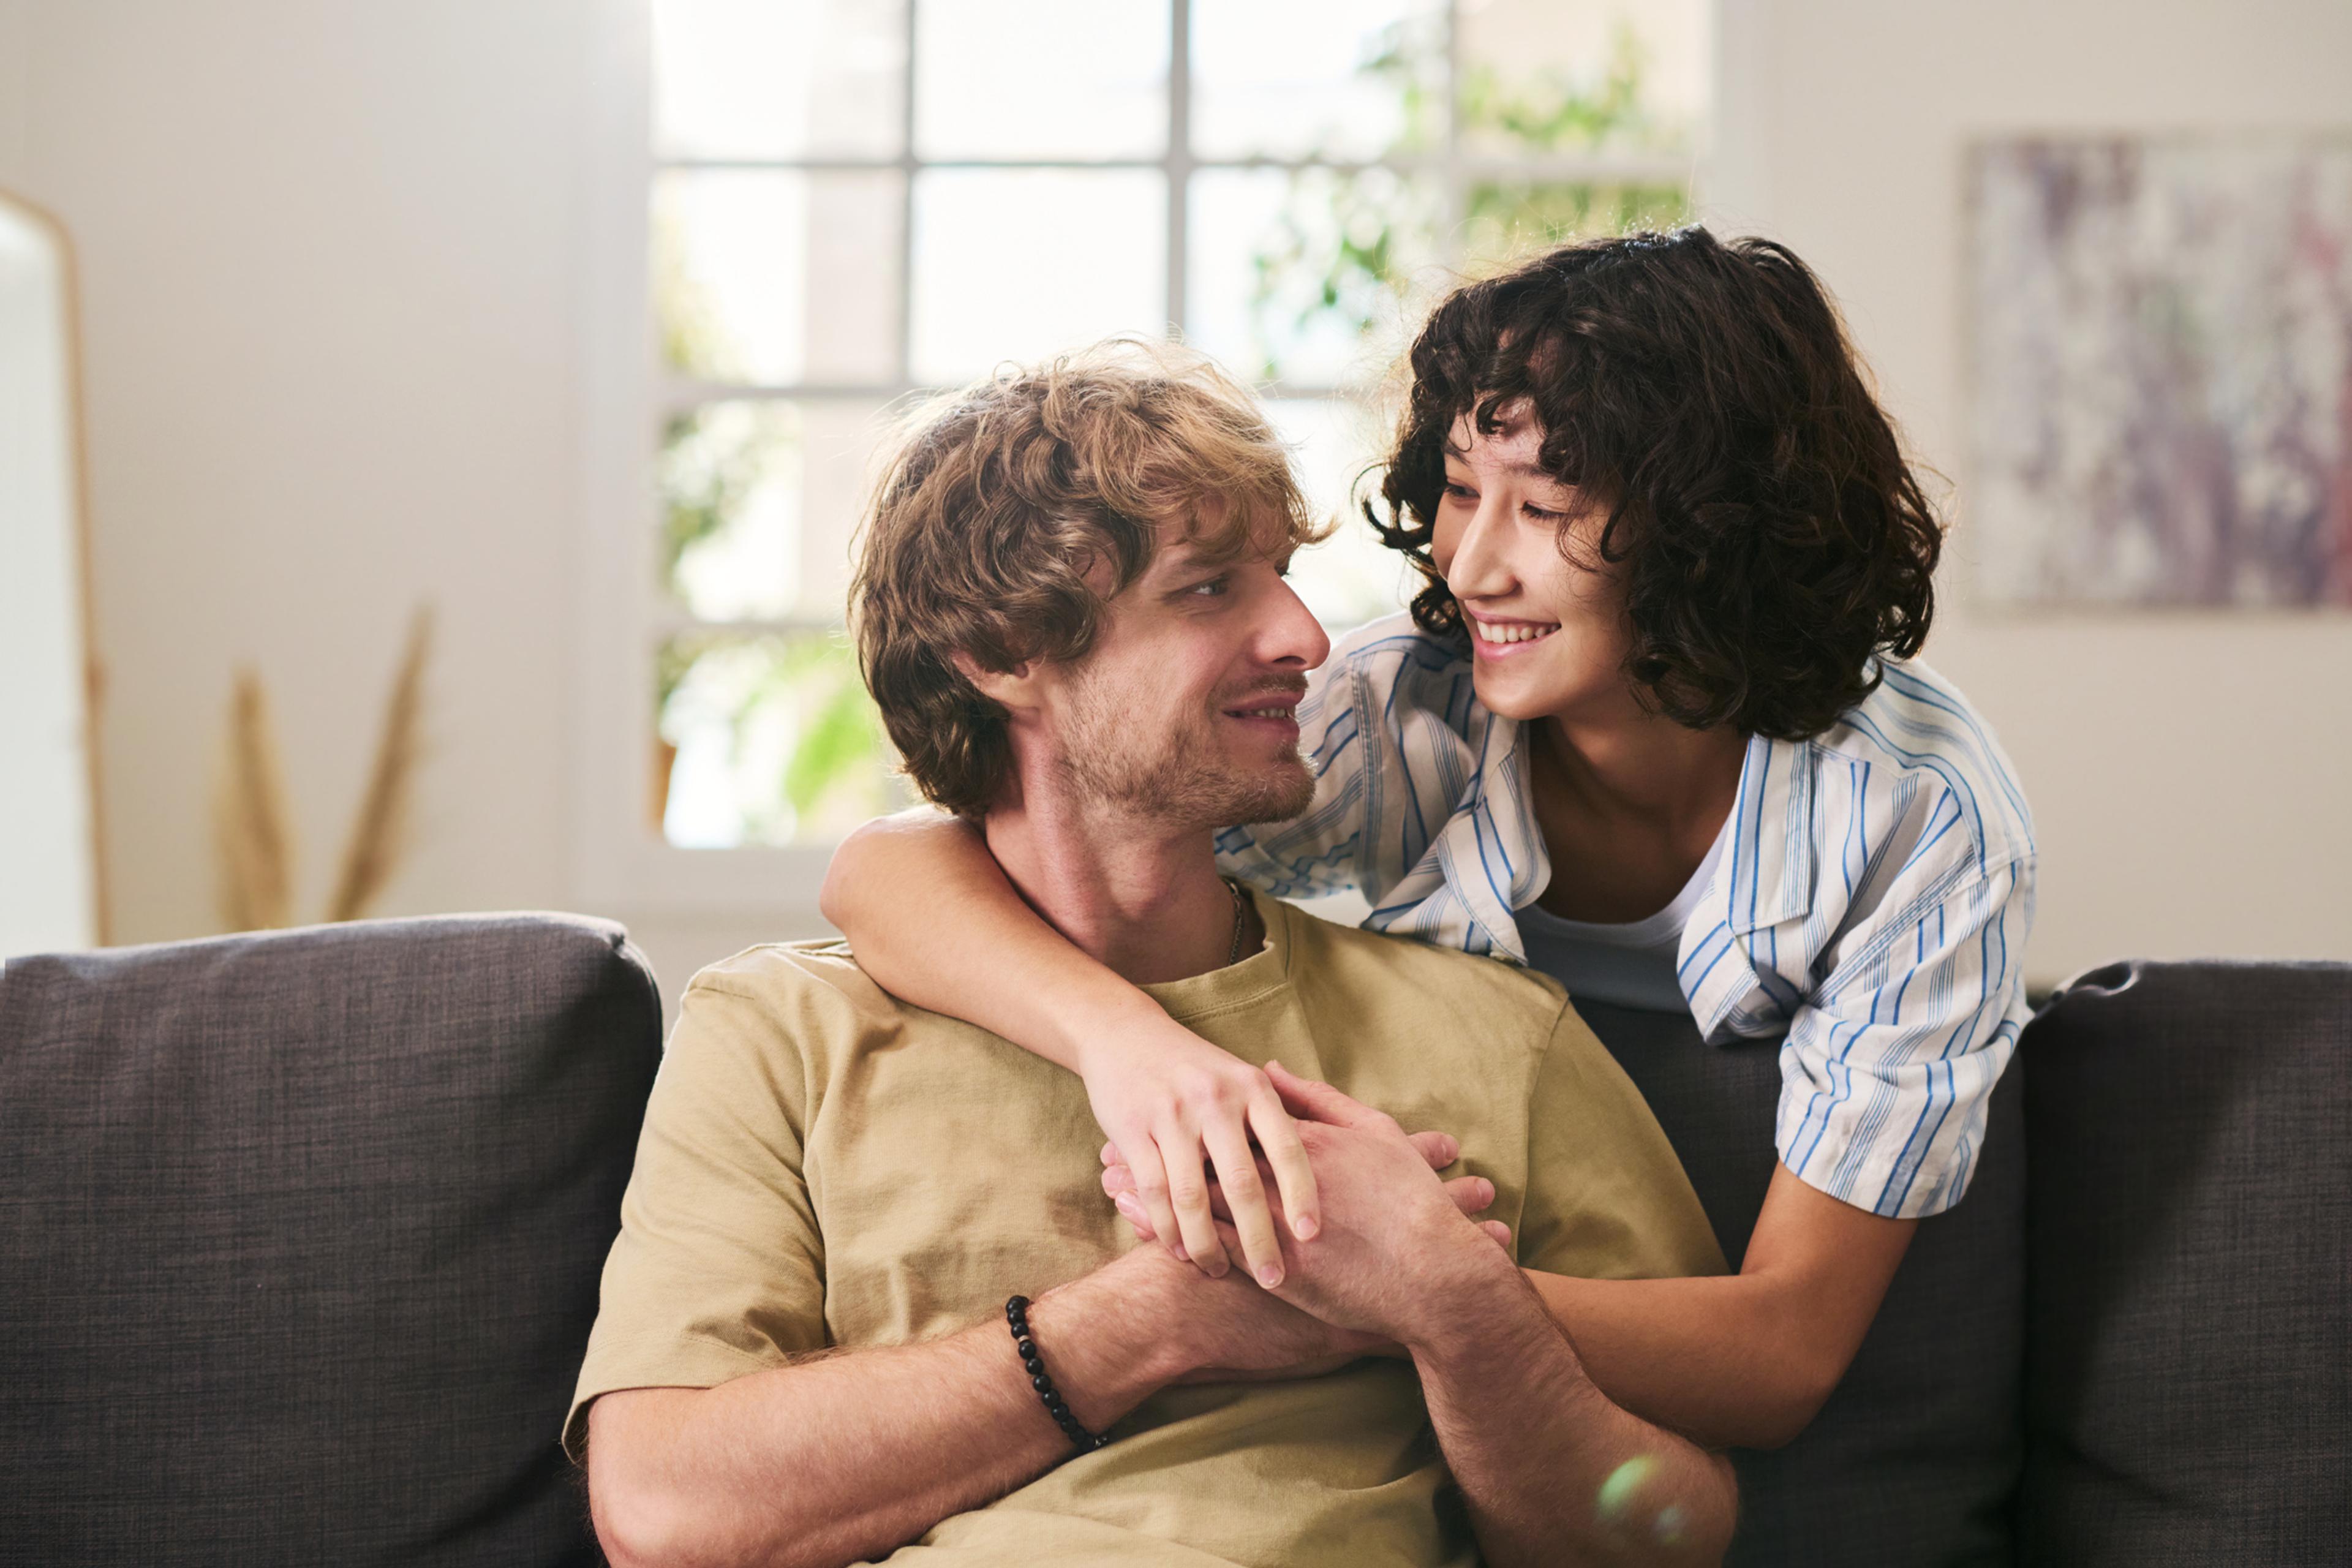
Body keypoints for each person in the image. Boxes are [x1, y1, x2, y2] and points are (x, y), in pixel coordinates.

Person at [821, 228, 2038, 1451]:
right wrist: (1131, 1047)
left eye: (1547, 505)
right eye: (1461, 488)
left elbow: (1782, 1354)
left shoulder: (1915, 816)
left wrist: (1407, 1286)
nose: (1471, 563)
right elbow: (889, 867)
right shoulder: (1401, 709)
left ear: (1713, 531)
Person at [570, 342, 1738, 1567]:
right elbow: (661, 1509)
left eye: (1282, 576)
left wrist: (1455, 1306)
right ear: (1006, 650)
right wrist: (1151, 1321)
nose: (1301, 635)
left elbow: (1679, 1531)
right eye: (1208, 587)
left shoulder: (1498, 1033)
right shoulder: (778, 1034)